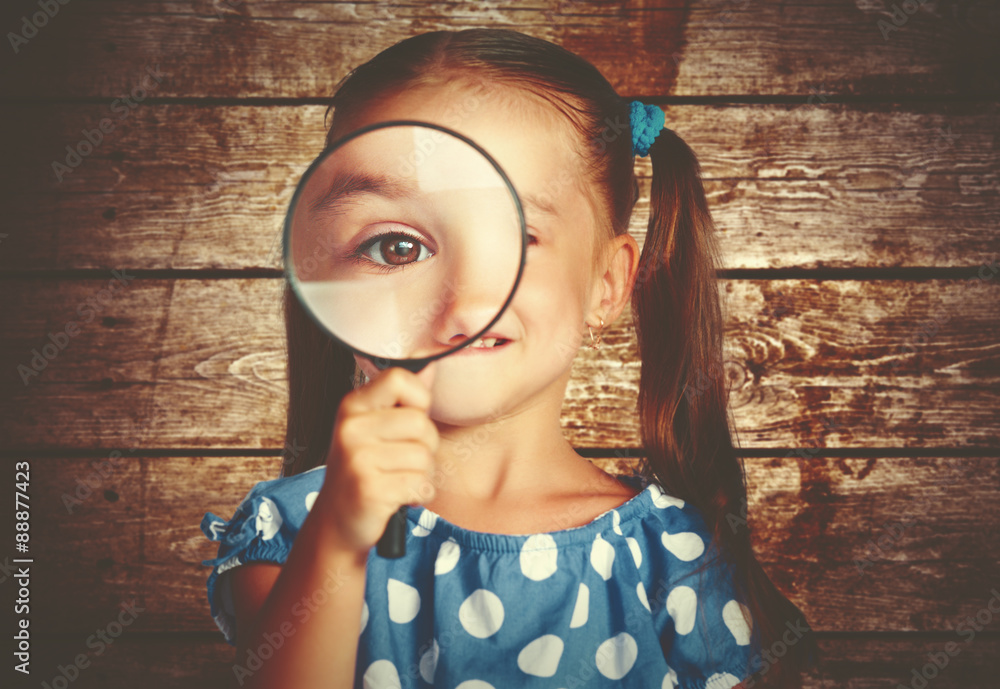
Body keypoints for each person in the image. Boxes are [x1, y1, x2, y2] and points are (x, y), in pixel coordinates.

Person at [199, 28, 818, 689]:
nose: (464, 298)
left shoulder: (679, 558)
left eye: (516, 237)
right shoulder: (295, 530)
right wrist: (337, 538)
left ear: (605, 284)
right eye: (397, 247)